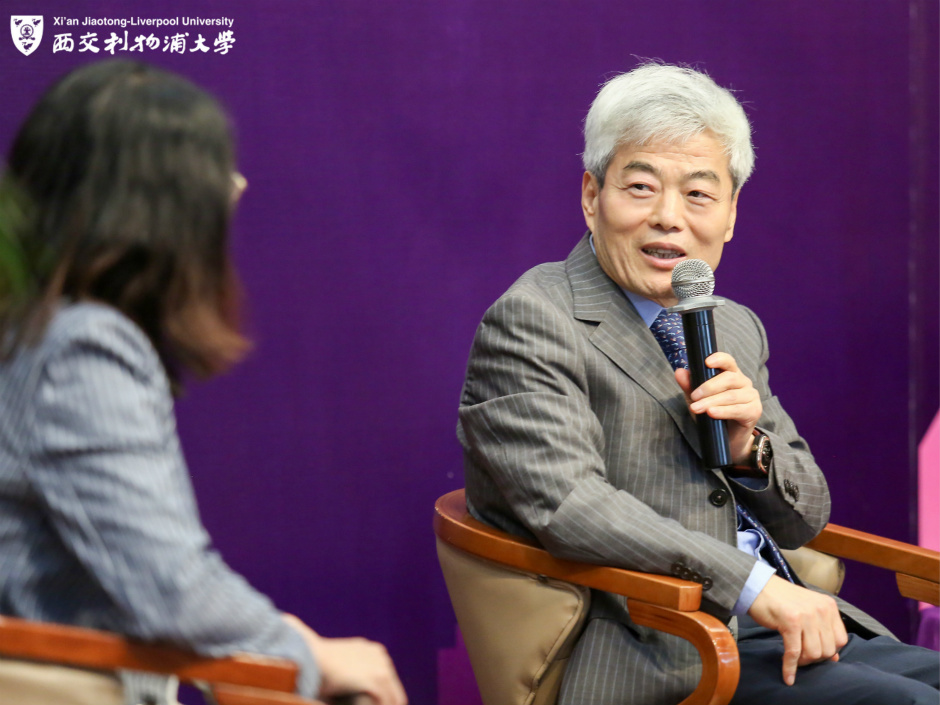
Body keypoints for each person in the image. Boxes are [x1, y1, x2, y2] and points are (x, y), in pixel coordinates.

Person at [457, 63, 939, 705]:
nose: (668, 218)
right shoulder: (533, 319)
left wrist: (747, 449)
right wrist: (755, 586)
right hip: (665, 646)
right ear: (591, 195)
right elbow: (572, 506)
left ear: (731, 214)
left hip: (782, 627)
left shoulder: (729, 323)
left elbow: (808, 514)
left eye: (698, 195)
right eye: (640, 187)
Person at [0, 60, 406, 705]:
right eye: (217, 170)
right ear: (158, 206)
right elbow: (173, 592)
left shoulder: (34, 330)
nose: (236, 188)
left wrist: (275, 637)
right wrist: (308, 656)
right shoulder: (81, 349)